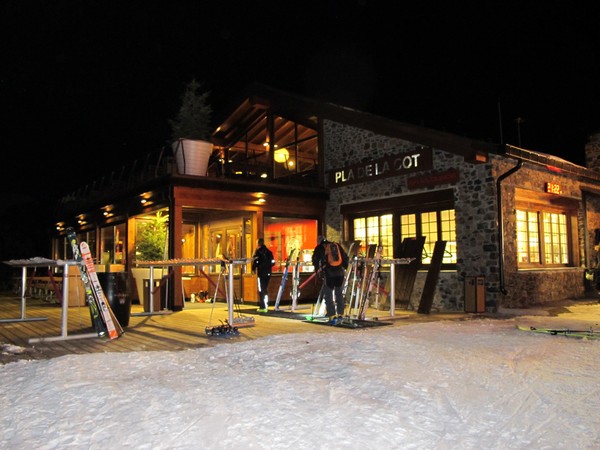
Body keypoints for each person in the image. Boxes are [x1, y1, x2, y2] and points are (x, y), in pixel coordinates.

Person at [312, 236, 349, 323]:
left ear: (319, 241)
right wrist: (345, 268)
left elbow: (315, 260)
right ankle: (340, 313)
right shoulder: (336, 245)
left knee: (328, 294)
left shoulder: (319, 248)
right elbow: (345, 258)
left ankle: (331, 314)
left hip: (329, 273)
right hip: (340, 273)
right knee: (339, 293)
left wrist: (317, 270)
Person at [252, 238, 275, 312]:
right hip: (268, 272)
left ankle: (262, 306)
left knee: (261, 289)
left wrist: (253, 269)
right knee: (265, 288)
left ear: (258, 243)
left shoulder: (257, 252)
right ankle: (266, 303)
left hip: (261, 273)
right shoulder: (269, 252)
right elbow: (273, 262)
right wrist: (268, 266)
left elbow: (255, 261)